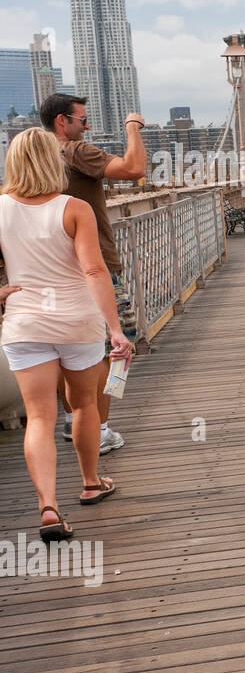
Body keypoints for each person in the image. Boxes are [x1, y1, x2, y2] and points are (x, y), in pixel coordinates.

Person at [0, 128, 133, 541]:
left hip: (25, 322)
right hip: (77, 320)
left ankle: (48, 507)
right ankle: (91, 482)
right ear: (53, 161)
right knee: (83, 406)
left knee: (38, 416)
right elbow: (94, 271)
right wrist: (116, 330)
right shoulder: (74, 208)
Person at [40, 93, 144, 454]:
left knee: (69, 350)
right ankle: (99, 430)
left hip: (56, 269)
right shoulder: (75, 151)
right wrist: (133, 127)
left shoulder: (39, 157)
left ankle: (75, 422)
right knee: (113, 350)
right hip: (95, 265)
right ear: (61, 122)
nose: (88, 126)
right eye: (83, 120)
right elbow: (134, 169)